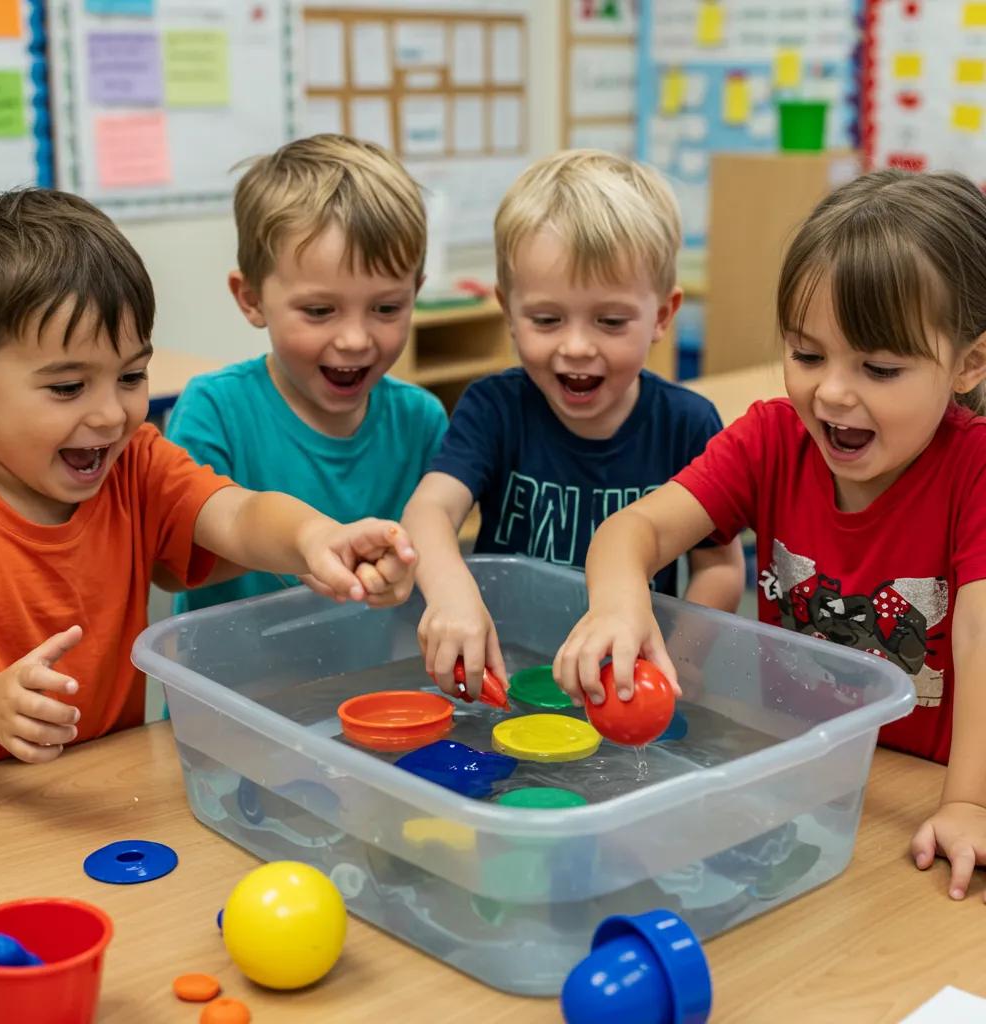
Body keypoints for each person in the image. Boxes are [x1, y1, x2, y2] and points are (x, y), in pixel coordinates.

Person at [555, 169, 986, 901]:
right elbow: (634, 529)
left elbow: (979, 633)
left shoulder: (972, 468)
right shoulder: (770, 441)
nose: (833, 392)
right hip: (798, 776)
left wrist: (969, 804)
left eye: (879, 367)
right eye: (807, 354)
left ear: (970, 362)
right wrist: (620, 603)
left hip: (922, 791)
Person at [0, 187, 416, 768]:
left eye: (131, 376)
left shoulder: (136, 465)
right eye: (68, 387)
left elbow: (236, 513)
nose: (111, 414)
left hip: (104, 790)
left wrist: (315, 538)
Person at [403, 150, 744, 697]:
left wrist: (679, 655)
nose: (577, 347)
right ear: (507, 311)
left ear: (662, 314)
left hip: (625, 683)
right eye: (546, 319)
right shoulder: (494, 408)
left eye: (610, 321)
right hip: (508, 675)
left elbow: (720, 567)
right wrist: (450, 593)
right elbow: (429, 510)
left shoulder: (687, 422)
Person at [165, 134, 446, 612]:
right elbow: (172, 568)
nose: (356, 339)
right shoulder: (215, 410)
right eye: (319, 310)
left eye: (386, 307)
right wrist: (302, 546)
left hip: (370, 679)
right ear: (251, 298)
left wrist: (405, 567)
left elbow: (433, 553)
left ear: (415, 293)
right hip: (230, 680)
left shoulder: (421, 420)